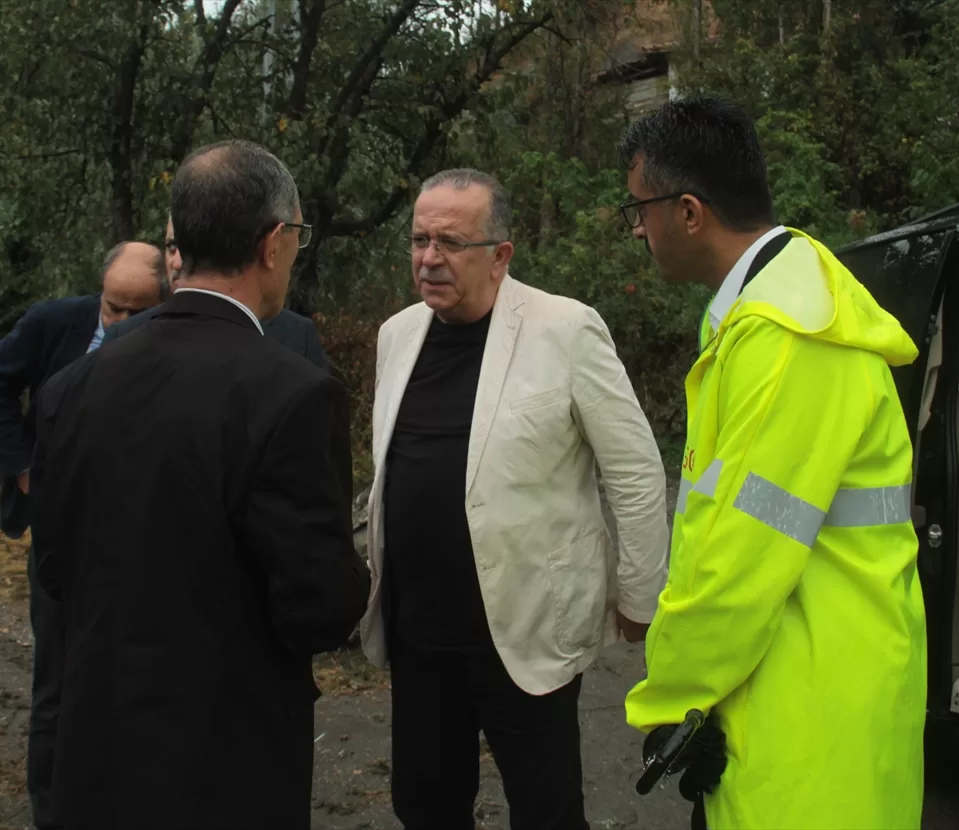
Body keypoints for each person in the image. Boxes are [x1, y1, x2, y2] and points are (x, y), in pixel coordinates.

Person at [29, 139, 369, 830]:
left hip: (97, 750)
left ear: (180, 239)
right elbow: (318, 608)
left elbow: (56, 568)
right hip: (225, 761)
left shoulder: (73, 386)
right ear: (274, 242)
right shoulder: (294, 396)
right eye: (297, 234)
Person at [619, 98, 926, 829]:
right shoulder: (772, 312)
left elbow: (741, 559)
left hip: (809, 710)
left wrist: (668, 698)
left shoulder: (787, 336)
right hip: (795, 687)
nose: (637, 227)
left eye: (640, 209)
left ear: (688, 211)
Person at [361, 168, 671, 830]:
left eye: (449, 242)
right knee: (426, 806)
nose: (428, 259)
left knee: (546, 810)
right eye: (419, 240)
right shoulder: (397, 336)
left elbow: (635, 470)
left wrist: (641, 595)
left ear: (500, 255)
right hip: (420, 635)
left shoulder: (566, 329)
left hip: (527, 630)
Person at [0, 240, 167, 830]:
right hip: (63, 534)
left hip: (141, 541)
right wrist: (24, 468)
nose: (125, 323)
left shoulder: (176, 348)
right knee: (58, 677)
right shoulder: (53, 324)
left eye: (141, 311)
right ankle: (52, 811)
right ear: (99, 295)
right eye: (115, 309)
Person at [105, 215, 330, 369]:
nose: (178, 262)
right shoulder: (123, 337)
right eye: (172, 247)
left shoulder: (297, 338)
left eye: (193, 248)